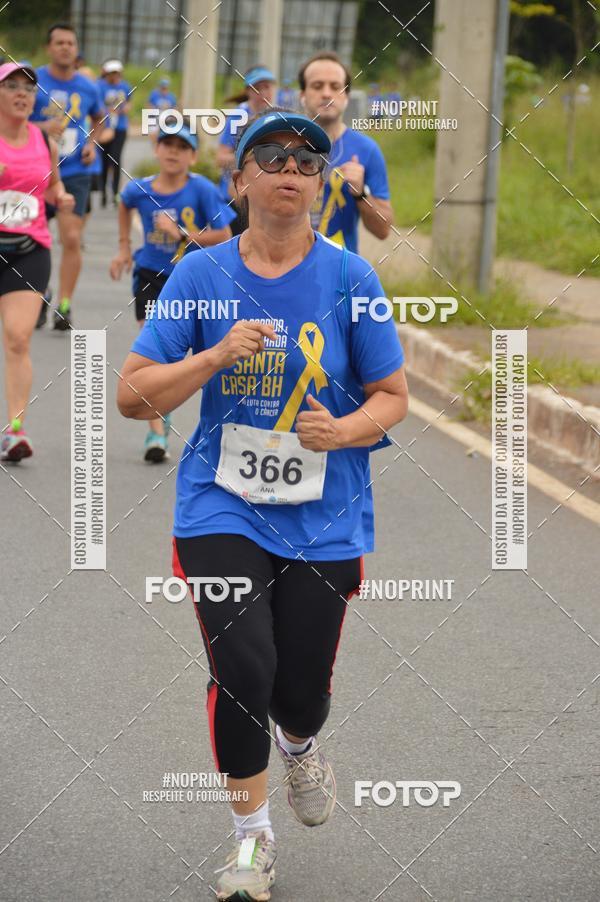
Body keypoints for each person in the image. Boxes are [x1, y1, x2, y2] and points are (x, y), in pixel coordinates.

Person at [116, 109, 408, 900]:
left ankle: (301, 743)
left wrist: (343, 430)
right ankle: (251, 841)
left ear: (319, 185)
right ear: (239, 180)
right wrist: (212, 356)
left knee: (298, 687)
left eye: (309, 160)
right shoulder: (199, 276)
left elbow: (394, 395)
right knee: (243, 665)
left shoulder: (353, 278)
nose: (291, 166)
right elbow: (133, 396)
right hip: (221, 502)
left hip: (324, 510)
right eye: (270, 155)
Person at [110, 123, 236, 462]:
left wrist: (183, 233)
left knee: (184, 357)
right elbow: (123, 204)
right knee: (154, 354)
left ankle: (168, 413)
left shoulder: (203, 190)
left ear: (193, 156)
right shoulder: (140, 190)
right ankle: (156, 431)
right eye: (167, 145)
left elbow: (224, 235)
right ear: (156, 150)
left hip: (191, 281)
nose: (173, 152)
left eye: (182, 147)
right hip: (151, 275)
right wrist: (124, 247)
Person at [0, 63, 74, 461]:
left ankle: (14, 429)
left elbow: (53, 186)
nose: (21, 94)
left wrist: (60, 198)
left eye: (28, 88)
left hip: (29, 250)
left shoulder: (42, 141)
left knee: (17, 338)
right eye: (11, 86)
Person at [30, 22, 104, 330]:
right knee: (35, 239)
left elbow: (100, 118)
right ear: (49, 47)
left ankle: (64, 304)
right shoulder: (33, 81)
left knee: (71, 237)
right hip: (36, 170)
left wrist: (91, 142)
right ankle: (39, 295)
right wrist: (39, 130)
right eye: (59, 42)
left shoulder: (88, 86)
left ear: (76, 49)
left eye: (70, 43)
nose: (65, 47)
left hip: (74, 171)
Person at [298, 50, 393, 252]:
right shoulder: (282, 144)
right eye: (317, 86)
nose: (326, 93)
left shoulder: (366, 150)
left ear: (347, 96)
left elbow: (383, 230)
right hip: (283, 269)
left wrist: (361, 194)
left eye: (335, 87)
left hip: (339, 272)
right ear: (302, 95)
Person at [216, 65, 276, 233]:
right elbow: (220, 159)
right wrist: (250, 158)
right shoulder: (238, 117)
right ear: (248, 91)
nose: (263, 92)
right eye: (257, 88)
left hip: (265, 200)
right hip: (235, 200)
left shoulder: (277, 117)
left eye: (267, 86)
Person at [98, 59, 131, 206]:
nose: (114, 76)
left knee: (116, 159)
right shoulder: (100, 87)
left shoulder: (125, 86)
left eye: (117, 73)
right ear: (106, 73)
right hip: (104, 128)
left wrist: (126, 108)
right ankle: (103, 193)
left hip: (120, 129)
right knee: (104, 161)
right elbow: (97, 106)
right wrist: (107, 111)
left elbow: (129, 102)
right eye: (111, 73)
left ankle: (116, 193)